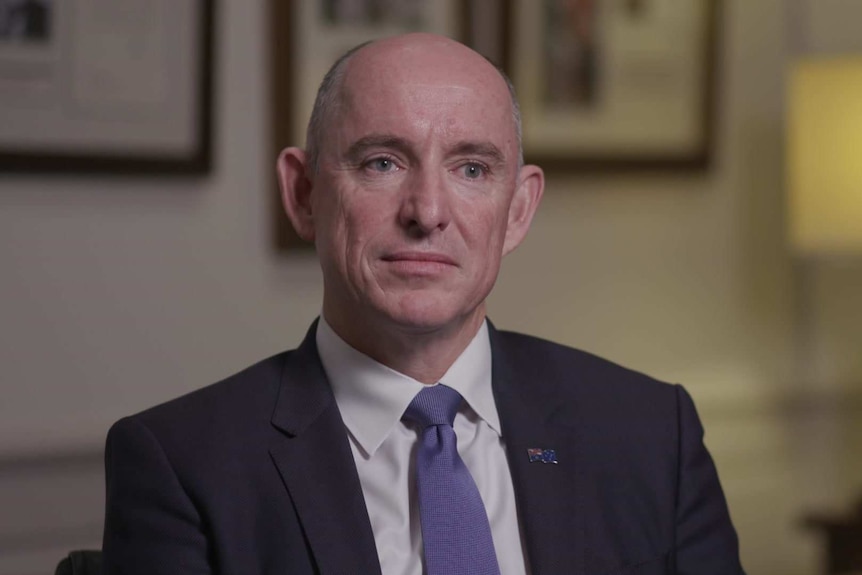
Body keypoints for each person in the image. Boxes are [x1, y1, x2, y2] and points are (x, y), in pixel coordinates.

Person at [101, 33, 744, 574]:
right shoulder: (182, 464)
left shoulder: (653, 434)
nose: (427, 212)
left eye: (472, 169)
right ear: (302, 195)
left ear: (518, 210)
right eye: (382, 162)